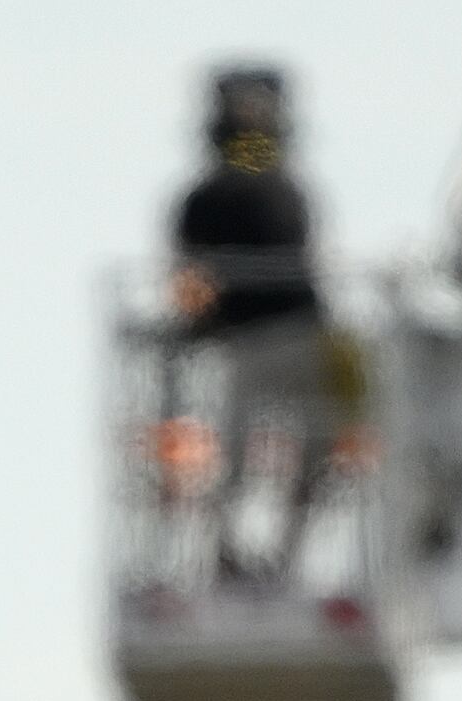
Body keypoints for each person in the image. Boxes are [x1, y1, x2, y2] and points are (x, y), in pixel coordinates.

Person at [166, 65, 345, 589]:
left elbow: (191, 286)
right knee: (270, 460)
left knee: (280, 458)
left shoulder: (223, 197)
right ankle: (253, 557)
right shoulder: (273, 193)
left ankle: (259, 558)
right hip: (279, 341)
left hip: (276, 342)